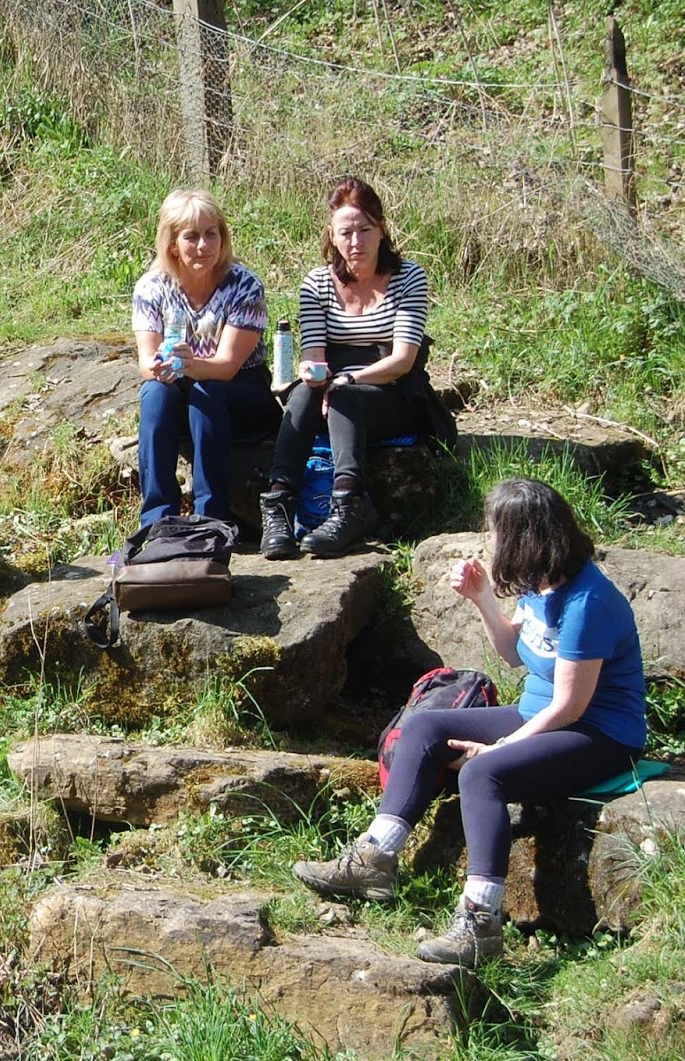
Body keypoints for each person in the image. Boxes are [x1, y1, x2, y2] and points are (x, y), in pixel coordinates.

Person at [293, 479, 647, 967]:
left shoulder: (588, 602)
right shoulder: (539, 581)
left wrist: (503, 747)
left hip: (600, 733)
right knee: (426, 728)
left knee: (484, 773)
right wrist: (482, 599)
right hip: (541, 714)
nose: (490, 539)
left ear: (523, 536)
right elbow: (514, 654)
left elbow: (571, 706)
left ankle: (481, 923)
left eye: (495, 530)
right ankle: (376, 858)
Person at [260, 177, 430, 559]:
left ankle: (348, 506)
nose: (356, 242)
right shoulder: (317, 283)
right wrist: (311, 372)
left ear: (382, 229)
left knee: (345, 395)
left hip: (391, 393)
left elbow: (403, 360)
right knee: (302, 396)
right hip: (333, 391)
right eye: (346, 233)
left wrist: (347, 379)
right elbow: (315, 354)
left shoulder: (409, 278)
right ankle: (279, 506)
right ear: (332, 236)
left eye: (365, 230)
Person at [131, 189, 277, 527]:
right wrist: (158, 367)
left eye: (212, 234)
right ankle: (156, 520)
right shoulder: (152, 288)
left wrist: (190, 364)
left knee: (206, 392)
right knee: (154, 392)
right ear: (172, 244)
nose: (203, 245)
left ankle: (211, 518)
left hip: (241, 392)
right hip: (184, 391)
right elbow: (146, 362)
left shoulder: (244, 286)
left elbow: (226, 366)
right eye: (192, 236)